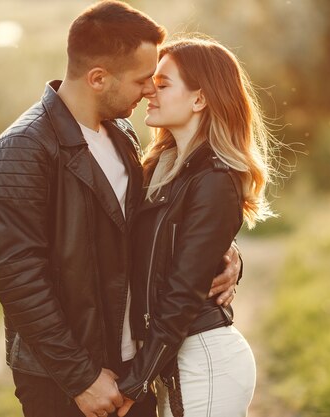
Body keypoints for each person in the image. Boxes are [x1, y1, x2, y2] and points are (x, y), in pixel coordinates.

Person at [0, 3, 241, 417]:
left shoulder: (123, 135)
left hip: (132, 366)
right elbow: (18, 278)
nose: (149, 91)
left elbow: (159, 228)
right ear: (98, 78)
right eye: (142, 81)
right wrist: (80, 378)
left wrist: (225, 256)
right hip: (62, 382)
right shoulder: (21, 151)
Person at [115, 37, 276, 417]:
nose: (149, 93)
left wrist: (135, 381)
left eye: (163, 83)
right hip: (174, 361)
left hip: (205, 363)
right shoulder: (158, 170)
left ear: (199, 99)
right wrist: (230, 258)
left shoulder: (216, 178)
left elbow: (183, 292)